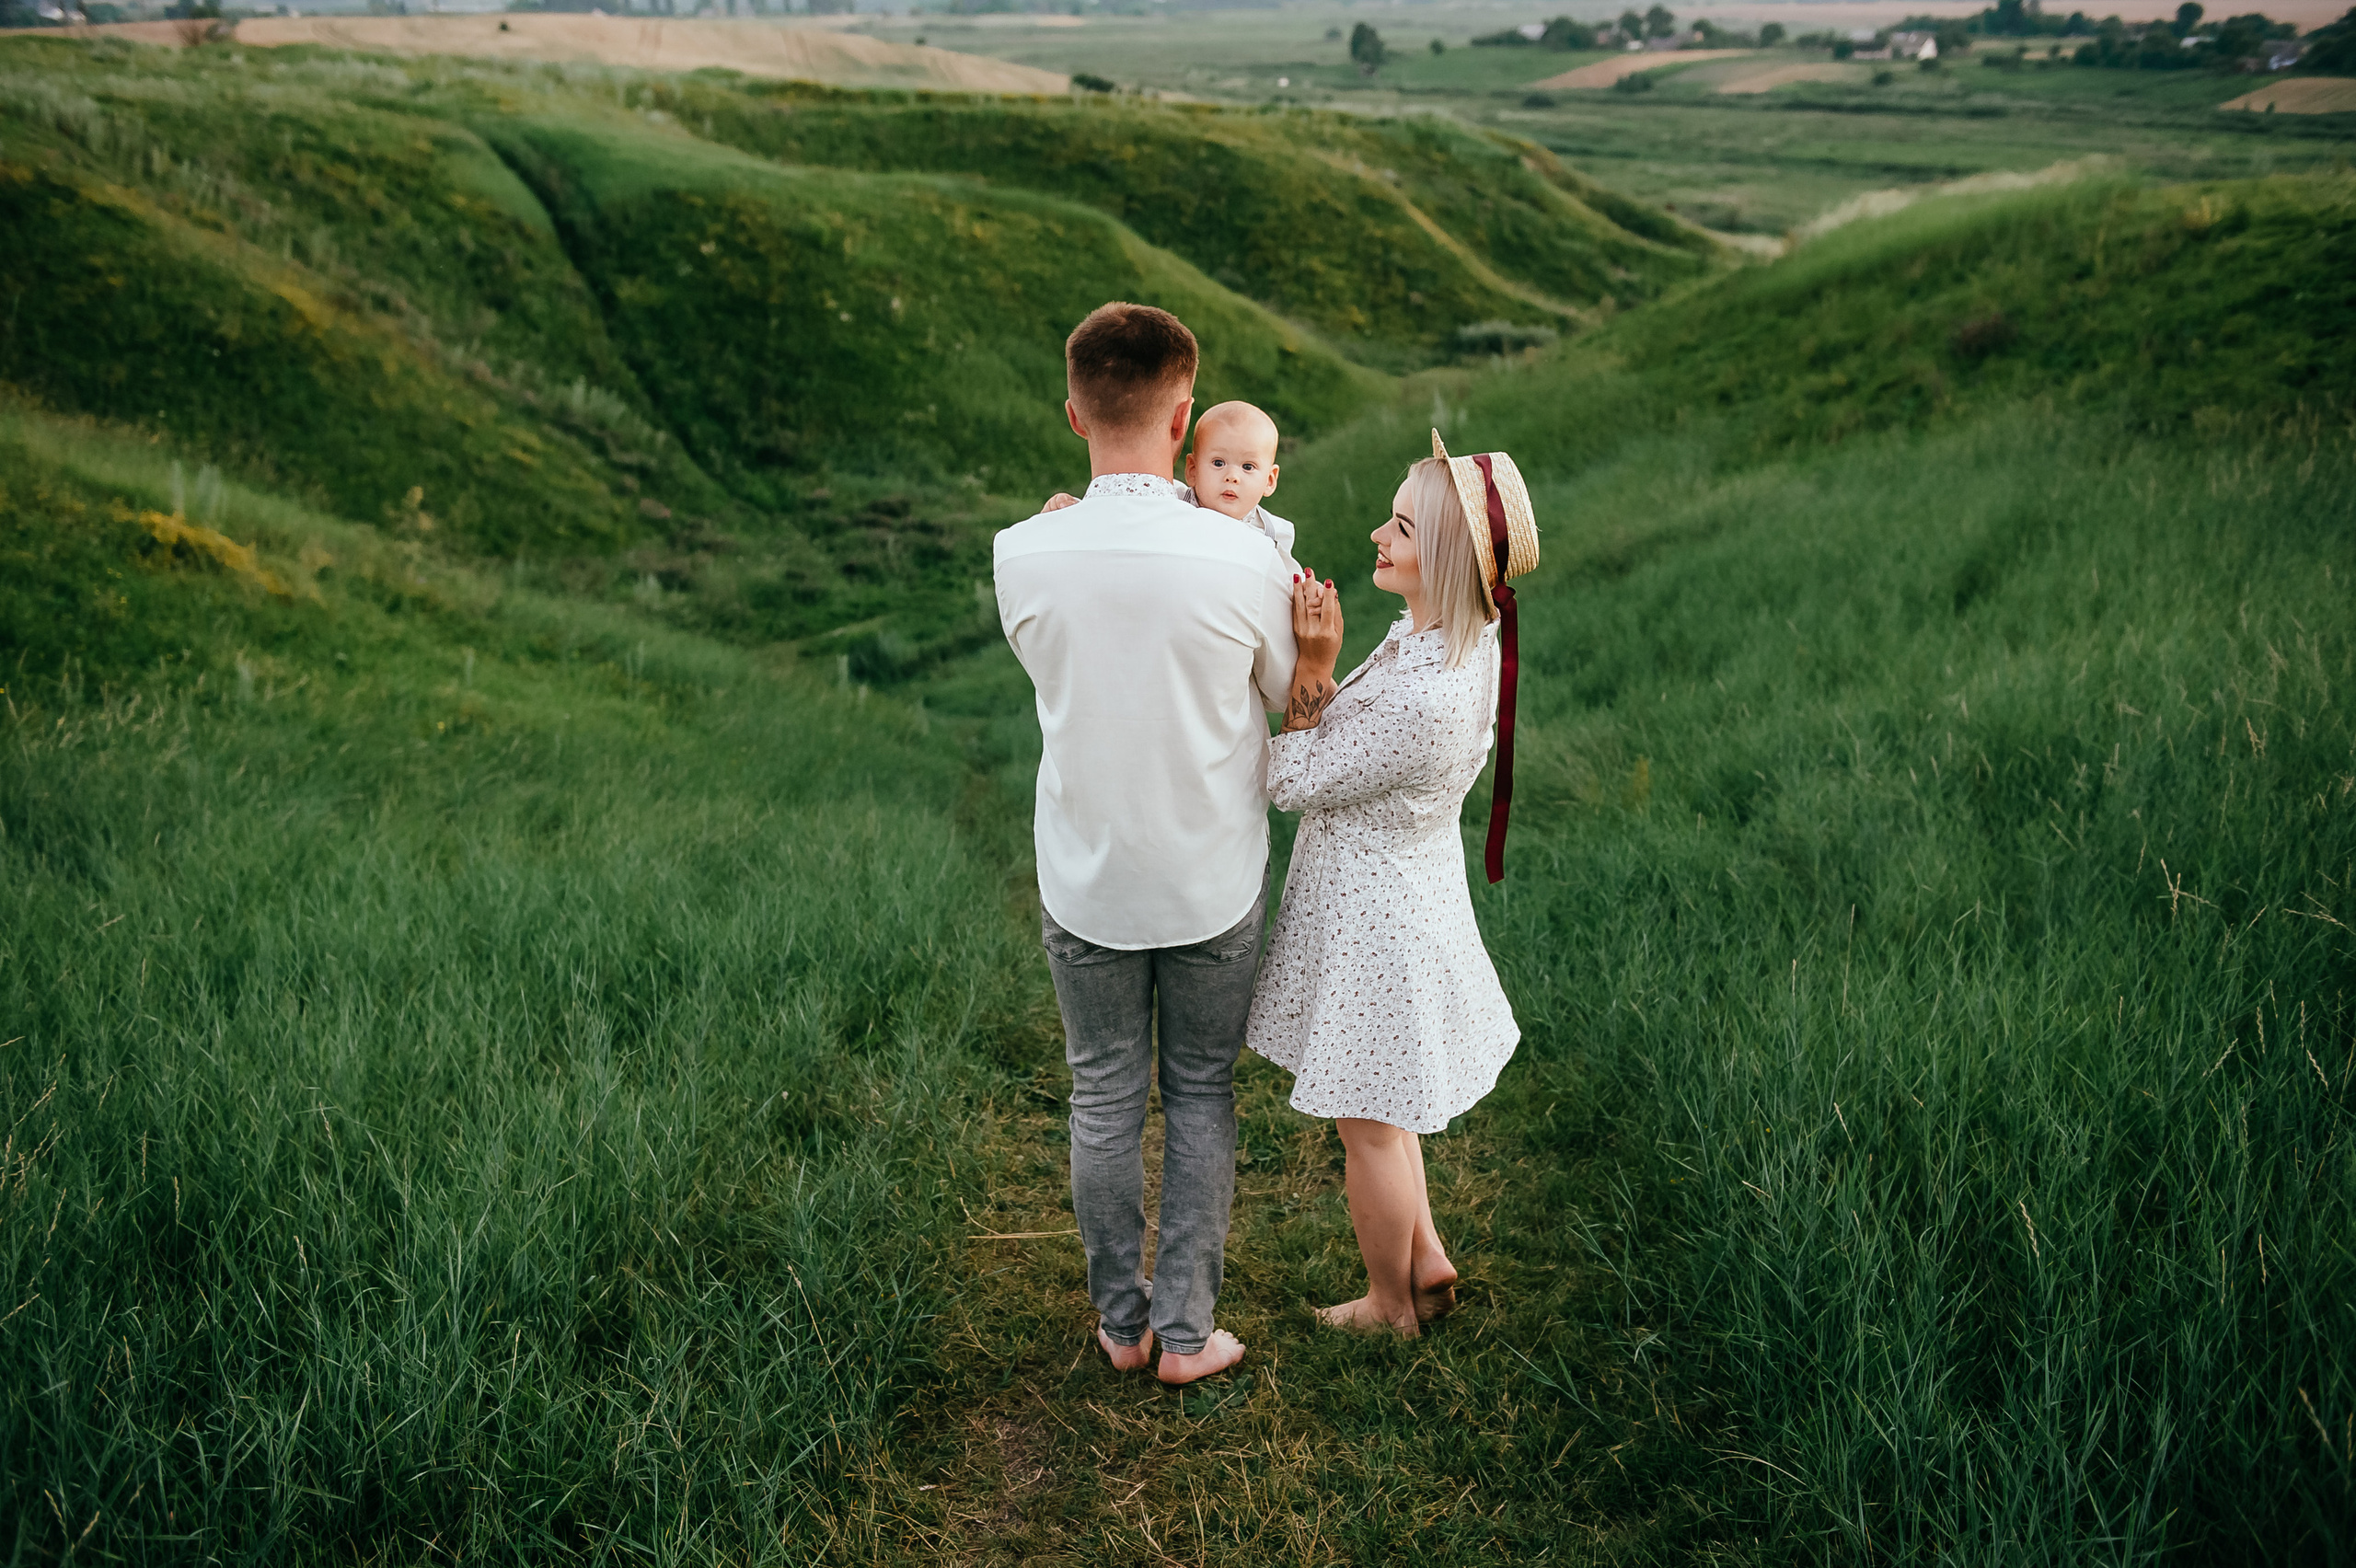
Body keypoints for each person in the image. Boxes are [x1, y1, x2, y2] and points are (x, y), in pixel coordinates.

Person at [992, 304, 1304, 1385]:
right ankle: (1185, 1334)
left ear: (1074, 414)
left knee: (1104, 1095)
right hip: (1212, 875)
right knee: (1201, 1092)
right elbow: (1287, 696)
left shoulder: (1020, 553)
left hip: (1085, 876)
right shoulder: (1244, 560)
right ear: (1184, 420)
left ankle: (1120, 1325)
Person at [1246, 431, 1542, 1337]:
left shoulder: (1427, 696)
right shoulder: (1446, 639)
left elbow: (1292, 781)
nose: (1378, 535)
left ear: (1445, 559)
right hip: (1405, 891)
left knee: (1366, 1125)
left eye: (1402, 528)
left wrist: (1311, 668)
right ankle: (1426, 1259)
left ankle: (1388, 1304)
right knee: (1387, 1100)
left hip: (1377, 922)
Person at [1042, 398, 1303, 578]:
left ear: (1270, 480)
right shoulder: (1172, 499)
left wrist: (1309, 595)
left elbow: (1291, 589)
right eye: (1218, 463)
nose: (1232, 476)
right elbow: (1121, 511)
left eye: (1248, 467)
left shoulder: (1272, 533)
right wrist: (1071, 510)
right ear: (1193, 470)